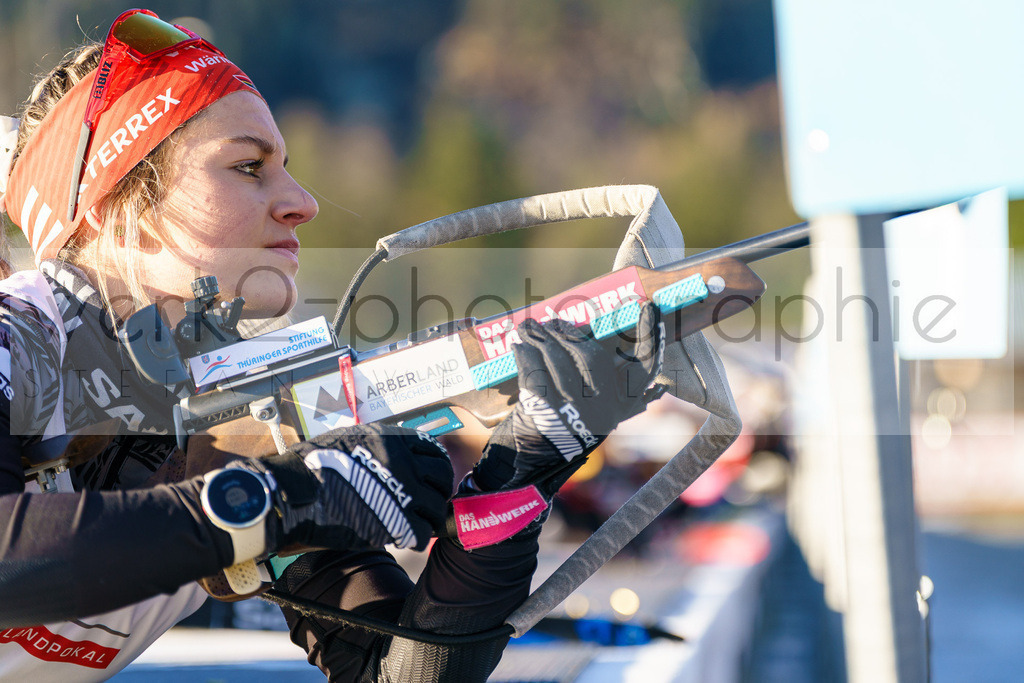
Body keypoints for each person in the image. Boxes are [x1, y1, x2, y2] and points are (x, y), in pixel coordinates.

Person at [0, 9, 664, 682]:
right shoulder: (14, 342)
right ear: (125, 210)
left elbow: (396, 670)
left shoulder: (240, 409)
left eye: (283, 166)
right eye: (248, 166)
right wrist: (276, 499)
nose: (302, 202)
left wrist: (523, 469)